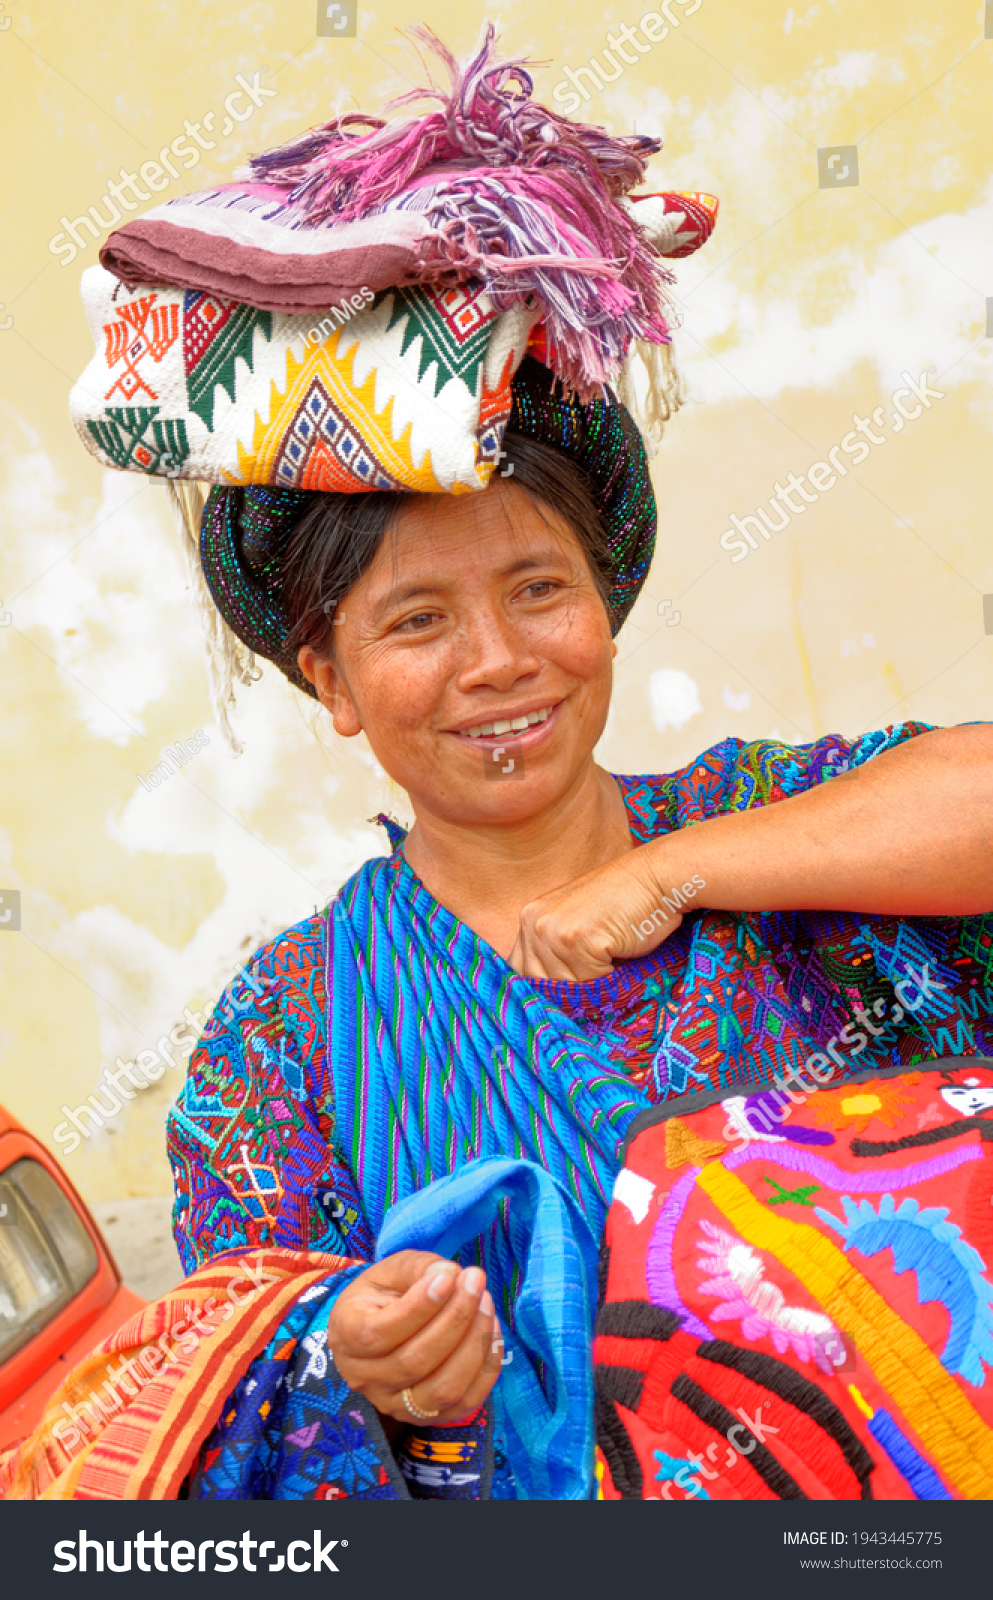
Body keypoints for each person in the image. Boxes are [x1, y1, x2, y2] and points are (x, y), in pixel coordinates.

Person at [4, 27, 991, 1503]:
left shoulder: (772, 823)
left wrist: (670, 872)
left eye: (538, 589)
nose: (496, 661)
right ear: (326, 680)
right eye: (414, 620)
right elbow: (253, 1385)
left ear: (605, 601)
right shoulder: (282, 1041)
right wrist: (385, 1368)